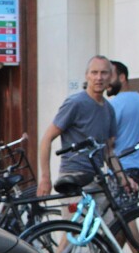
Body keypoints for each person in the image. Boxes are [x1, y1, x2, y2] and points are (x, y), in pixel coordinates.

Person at [37, 55, 118, 196]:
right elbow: (47, 139)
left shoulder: (109, 109)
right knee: (75, 219)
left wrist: (123, 178)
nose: (99, 77)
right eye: (94, 72)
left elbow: (108, 151)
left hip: (97, 178)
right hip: (73, 178)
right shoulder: (75, 103)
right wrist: (45, 178)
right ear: (87, 76)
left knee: (111, 218)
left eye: (104, 73)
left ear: (110, 77)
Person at [107, 60, 139, 188]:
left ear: (122, 77)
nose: (106, 81)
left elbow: (108, 141)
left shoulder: (114, 104)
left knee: (118, 207)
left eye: (110, 76)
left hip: (121, 170)